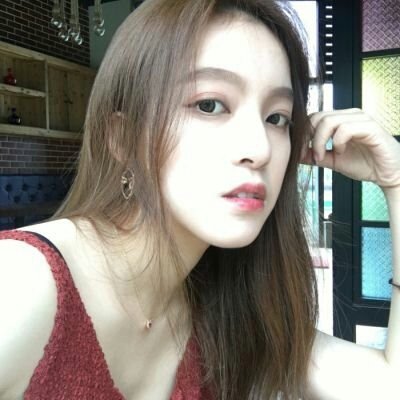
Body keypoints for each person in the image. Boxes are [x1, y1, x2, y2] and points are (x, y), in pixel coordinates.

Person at [1, 0, 399, 399]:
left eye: (277, 118)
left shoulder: (224, 302)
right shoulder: (21, 285)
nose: (259, 148)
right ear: (123, 139)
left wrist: (396, 183)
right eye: (210, 105)